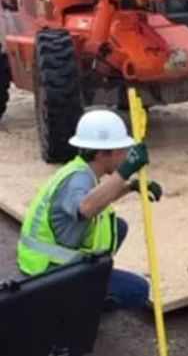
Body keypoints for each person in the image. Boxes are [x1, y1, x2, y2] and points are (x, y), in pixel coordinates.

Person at [16, 109, 163, 311]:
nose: (124, 157)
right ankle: (73, 310)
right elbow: (87, 207)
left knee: (118, 227)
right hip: (48, 274)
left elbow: (95, 198)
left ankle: (86, 290)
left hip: (49, 264)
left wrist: (130, 187)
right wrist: (125, 171)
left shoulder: (82, 170)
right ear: (103, 155)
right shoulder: (76, 179)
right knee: (137, 290)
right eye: (121, 152)